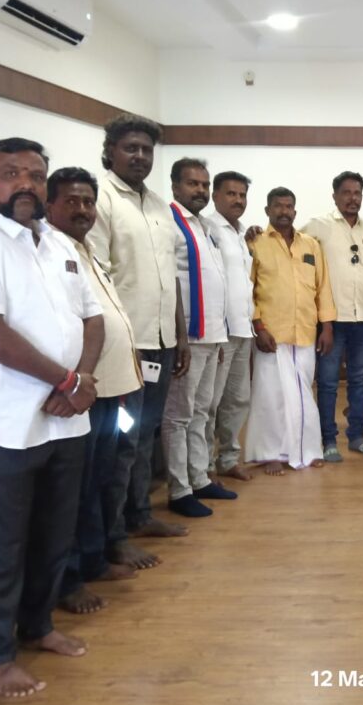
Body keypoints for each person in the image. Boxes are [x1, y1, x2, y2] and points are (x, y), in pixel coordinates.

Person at [0, 138, 103, 697]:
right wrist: (67, 382)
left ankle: (38, 625)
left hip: (67, 419)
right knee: (2, 544)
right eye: (11, 173)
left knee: (54, 535)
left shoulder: (57, 243)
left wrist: (81, 381)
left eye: (35, 174)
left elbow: (93, 320)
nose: (25, 183)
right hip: (7, 425)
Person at [87, 113, 189, 570]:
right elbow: (95, 276)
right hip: (124, 347)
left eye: (147, 150)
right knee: (121, 440)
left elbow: (171, 277)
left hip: (161, 341)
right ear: (110, 151)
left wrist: (180, 334)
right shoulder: (102, 200)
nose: (140, 156)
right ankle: (114, 536)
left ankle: (140, 514)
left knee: (146, 433)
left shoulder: (159, 206)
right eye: (131, 148)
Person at [45, 168, 142, 616]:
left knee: (102, 475)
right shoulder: (50, 252)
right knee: (76, 487)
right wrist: (75, 380)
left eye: (87, 202)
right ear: (50, 206)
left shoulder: (85, 251)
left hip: (112, 387)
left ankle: (95, 558)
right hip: (82, 392)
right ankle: (69, 579)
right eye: (71, 201)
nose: (82, 210)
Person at [162, 159, 236, 518]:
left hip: (212, 336)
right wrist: (180, 338)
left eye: (204, 185)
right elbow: (171, 282)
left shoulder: (204, 226)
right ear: (175, 186)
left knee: (202, 412)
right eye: (193, 184)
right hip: (188, 338)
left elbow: (214, 281)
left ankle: (199, 478)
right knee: (178, 416)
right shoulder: (169, 223)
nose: (200, 191)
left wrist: (220, 337)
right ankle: (179, 490)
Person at [245, 187, 335, 472]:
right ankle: (271, 453)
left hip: (306, 331)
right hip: (270, 334)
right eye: (278, 206)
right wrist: (258, 325)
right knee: (270, 396)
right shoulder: (256, 243)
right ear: (267, 210)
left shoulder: (311, 245)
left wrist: (327, 327)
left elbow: (323, 287)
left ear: (295, 211)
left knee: (303, 394)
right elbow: (248, 289)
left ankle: (309, 450)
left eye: (288, 207)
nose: (284, 211)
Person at [303, 171, 363, 461]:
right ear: (334, 196)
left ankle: (357, 436)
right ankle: (328, 440)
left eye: (357, 193)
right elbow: (290, 244)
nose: (352, 198)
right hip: (331, 321)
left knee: (360, 381)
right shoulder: (318, 225)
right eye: (346, 192)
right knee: (328, 382)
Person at [203, 171, 257, 482]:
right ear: (215, 196)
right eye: (231, 193)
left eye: (242, 195)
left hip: (243, 328)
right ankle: (205, 466)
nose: (238, 200)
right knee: (211, 402)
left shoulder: (241, 233)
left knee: (238, 399)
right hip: (220, 332)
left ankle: (228, 458)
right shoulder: (208, 228)